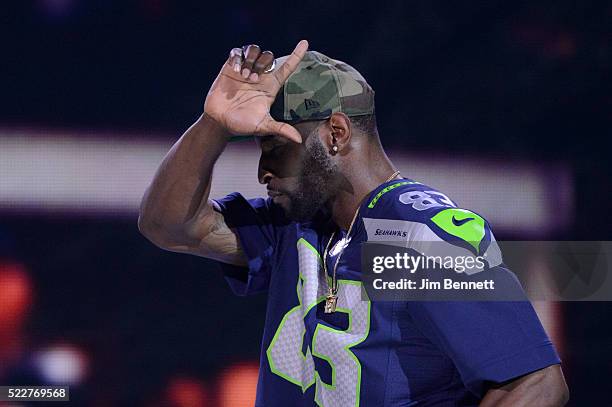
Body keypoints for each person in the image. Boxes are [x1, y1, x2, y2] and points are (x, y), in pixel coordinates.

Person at [138, 40, 569, 406]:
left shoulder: (422, 238)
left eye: (273, 147)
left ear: (336, 133)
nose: (262, 171)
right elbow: (167, 226)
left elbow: (535, 383)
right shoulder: (298, 225)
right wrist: (214, 124)